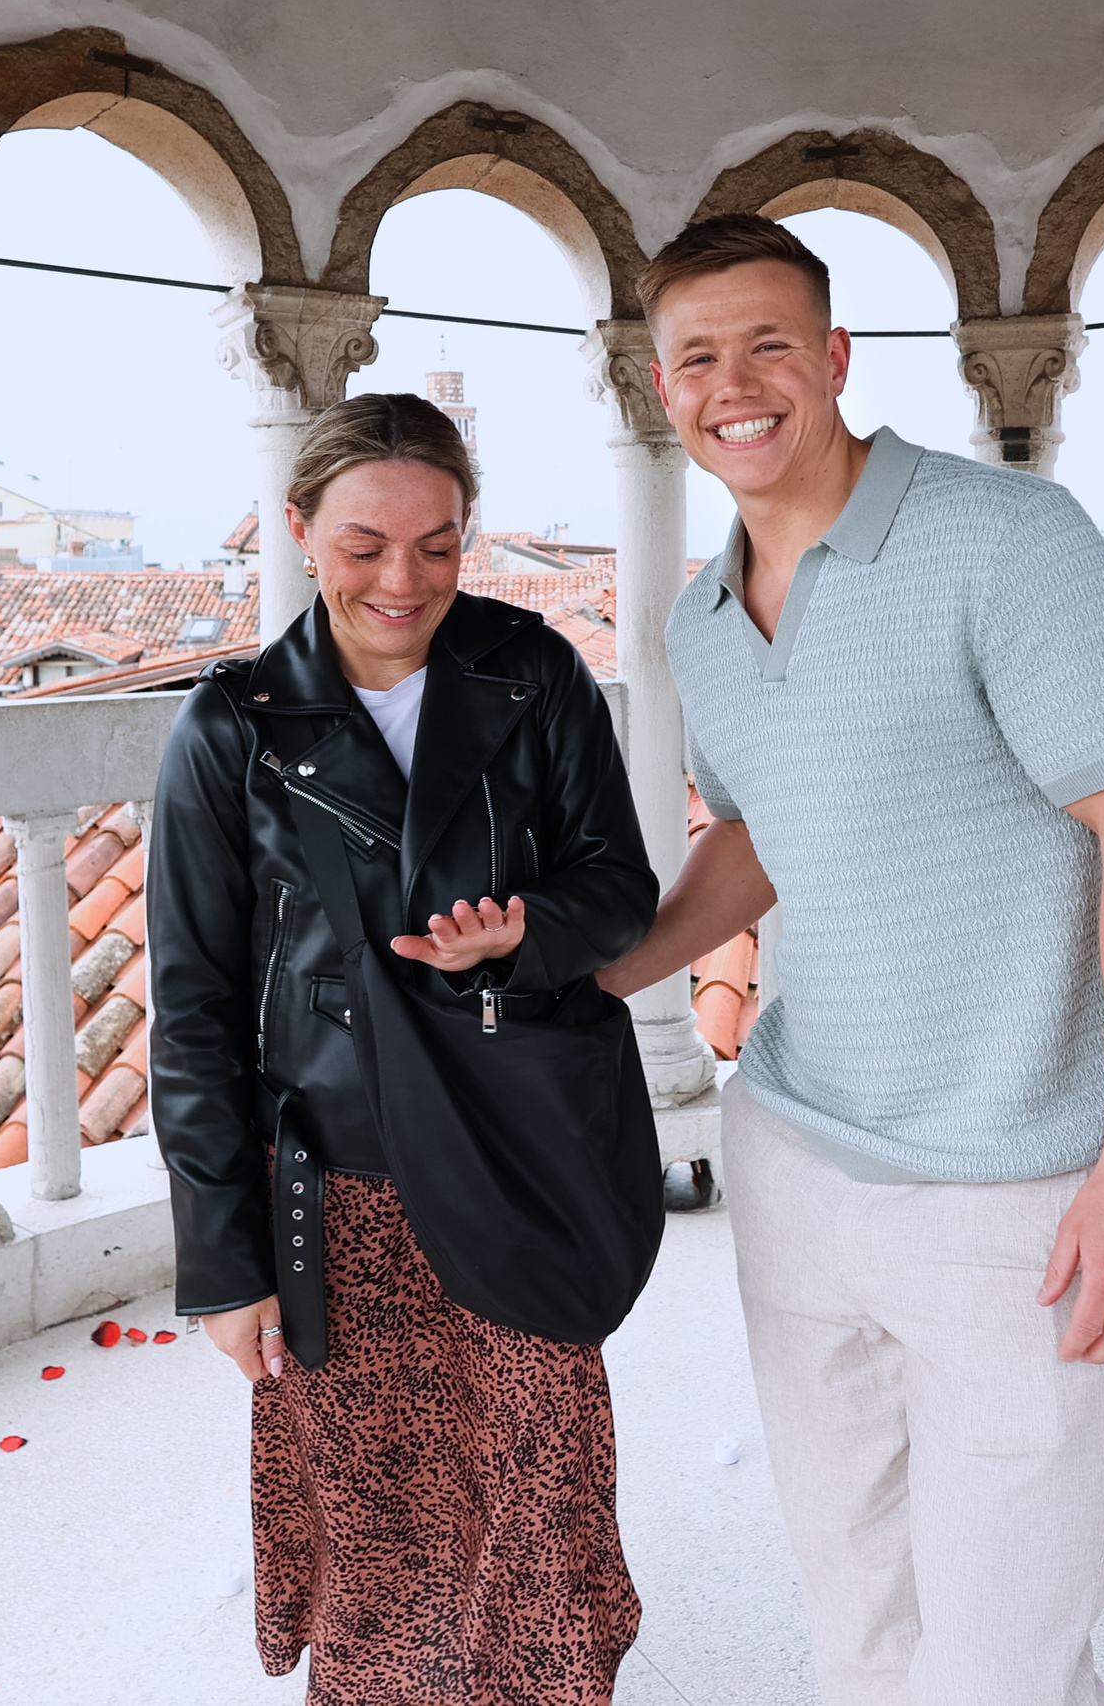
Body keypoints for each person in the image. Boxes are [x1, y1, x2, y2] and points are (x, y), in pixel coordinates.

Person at [598, 213, 1104, 1705]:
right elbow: (754, 837)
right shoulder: (698, 620)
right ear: (661, 391)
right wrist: (609, 974)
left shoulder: (1005, 542)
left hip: (1016, 1193)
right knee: (858, 1614)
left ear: (833, 359)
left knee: (1006, 1655)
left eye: (767, 345)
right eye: (696, 358)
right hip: (798, 1157)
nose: (733, 383)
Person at [148, 392, 661, 1704]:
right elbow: (195, 1006)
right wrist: (225, 1261)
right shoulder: (230, 729)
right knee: (383, 1534)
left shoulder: (530, 673)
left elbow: (614, 889)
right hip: (343, 1188)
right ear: (299, 530)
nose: (405, 579)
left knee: (548, 1497)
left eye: (438, 545)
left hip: (514, 1163)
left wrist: (523, 934)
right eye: (367, 544)